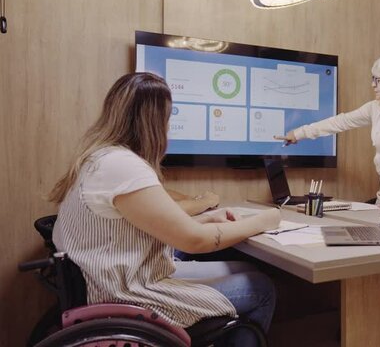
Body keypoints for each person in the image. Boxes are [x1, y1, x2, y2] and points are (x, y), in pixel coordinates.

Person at [49, 72, 281, 346]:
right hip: (127, 291)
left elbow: (142, 221)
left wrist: (206, 217)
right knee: (261, 288)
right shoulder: (122, 166)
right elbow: (194, 241)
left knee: (241, 267)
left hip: (115, 276)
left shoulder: (101, 158)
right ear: (155, 122)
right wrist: (268, 219)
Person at [275, 52, 380, 211]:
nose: (373, 85)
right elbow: (341, 121)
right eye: (373, 80)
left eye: (378, 80)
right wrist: (299, 133)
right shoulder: (376, 107)